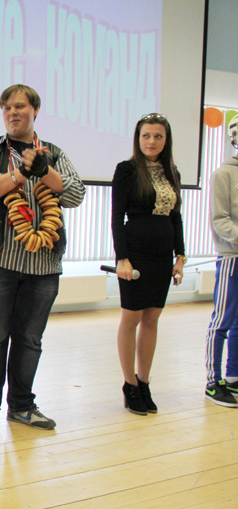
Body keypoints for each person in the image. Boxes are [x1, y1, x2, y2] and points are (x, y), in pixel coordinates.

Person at [0, 84, 86, 434]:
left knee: (30, 339)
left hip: (43, 266)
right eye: (7, 107)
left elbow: (76, 194)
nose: (12, 112)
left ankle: (21, 406)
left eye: (20, 106)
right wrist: (19, 174)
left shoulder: (55, 154)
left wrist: (46, 171)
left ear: (35, 111)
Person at [111, 113, 186, 415]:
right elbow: (117, 217)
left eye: (158, 136)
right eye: (146, 135)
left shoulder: (172, 172)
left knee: (152, 318)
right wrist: (122, 258)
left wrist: (180, 257)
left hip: (162, 254)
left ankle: (144, 382)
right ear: (138, 138)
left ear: (166, 140)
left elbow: (176, 217)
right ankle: (129, 385)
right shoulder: (127, 170)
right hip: (136, 252)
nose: (151, 141)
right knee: (131, 317)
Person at [203, 114, 238, 408]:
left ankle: (234, 376)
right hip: (231, 258)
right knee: (222, 321)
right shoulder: (223, 174)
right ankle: (213, 383)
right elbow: (220, 220)